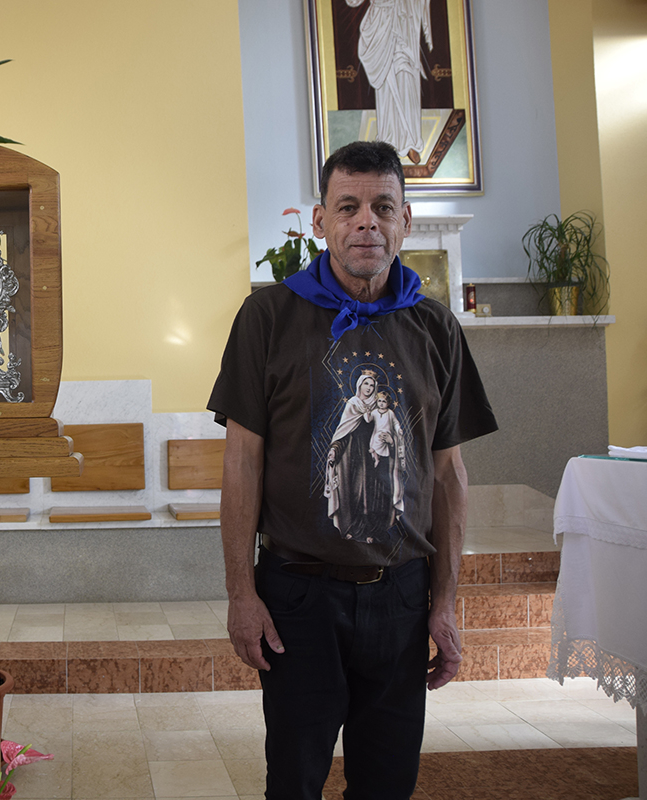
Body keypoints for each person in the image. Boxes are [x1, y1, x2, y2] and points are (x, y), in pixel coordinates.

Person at [209, 140, 496, 799]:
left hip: (401, 595)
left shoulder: (435, 327)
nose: (367, 221)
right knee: (295, 779)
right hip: (299, 595)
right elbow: (242, 463)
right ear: (321, 221)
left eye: (383, 207)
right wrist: (241, 594)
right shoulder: (267, 318)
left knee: (388, 782)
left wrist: (445, 602)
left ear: (405, 220)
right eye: (348, 207)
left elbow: (448, 475)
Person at [346, 0, 433, 163]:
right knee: (387, 83)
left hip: (404, 23)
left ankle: (410, 140)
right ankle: (389, 140)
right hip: (381, 25)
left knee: (406, 75)